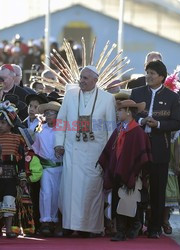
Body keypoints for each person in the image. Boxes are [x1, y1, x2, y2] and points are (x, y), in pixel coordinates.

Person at [54, 65, 116, 236]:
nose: (81, 81)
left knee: (91, 190)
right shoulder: (70, 95)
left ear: (96, 80)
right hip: (72, 150)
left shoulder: (108, 98)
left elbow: (111, 128)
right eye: (81, 78)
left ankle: (90, 228)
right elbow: (61, 121)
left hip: (95, 153)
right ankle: (68, 225)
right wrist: (58, 143)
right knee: (69, 189)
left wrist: (110, 154)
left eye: (86, 78)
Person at [130, 60, 180, 238]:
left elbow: (177, 122)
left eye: (153, 73)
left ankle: (155, 227)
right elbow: (129, 115)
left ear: (161, 77)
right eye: (147, 72)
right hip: (137, 146)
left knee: (158, 189)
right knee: (134, 185)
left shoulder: (172, 97)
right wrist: (140, 121)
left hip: (160, 147)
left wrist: (158, 123)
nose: (149, 76)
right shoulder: (136, 93)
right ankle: (134, 224)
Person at [98, 99, 151, 241]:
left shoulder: (138, 132)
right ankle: (122, 230)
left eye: (120, 110)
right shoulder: (119, 129)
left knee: (130, 200)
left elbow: (142, 156)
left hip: (132, 173)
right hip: (117, 172)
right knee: (118, 200)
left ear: (128, 112)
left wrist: (135, 172)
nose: (117, 113)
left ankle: (133, 225)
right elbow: (110, 150)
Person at [32, 101, 62, 237]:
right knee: (46, 194)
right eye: (47, 113)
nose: (49, 116)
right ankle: (45, 221)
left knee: (58, 194)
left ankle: (57, 221)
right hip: (45, 167)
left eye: (52, 113)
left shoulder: (63, 130)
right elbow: (35, 148)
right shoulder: (40, 130)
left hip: (60, 167)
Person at [0, 101, 26, 238]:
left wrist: (22, 176)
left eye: (3, 122)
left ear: (10, 124)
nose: (0, 125)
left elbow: (21, 159)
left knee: (9, 200)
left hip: (10, 175)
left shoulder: (17, 139)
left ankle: (9, 229)